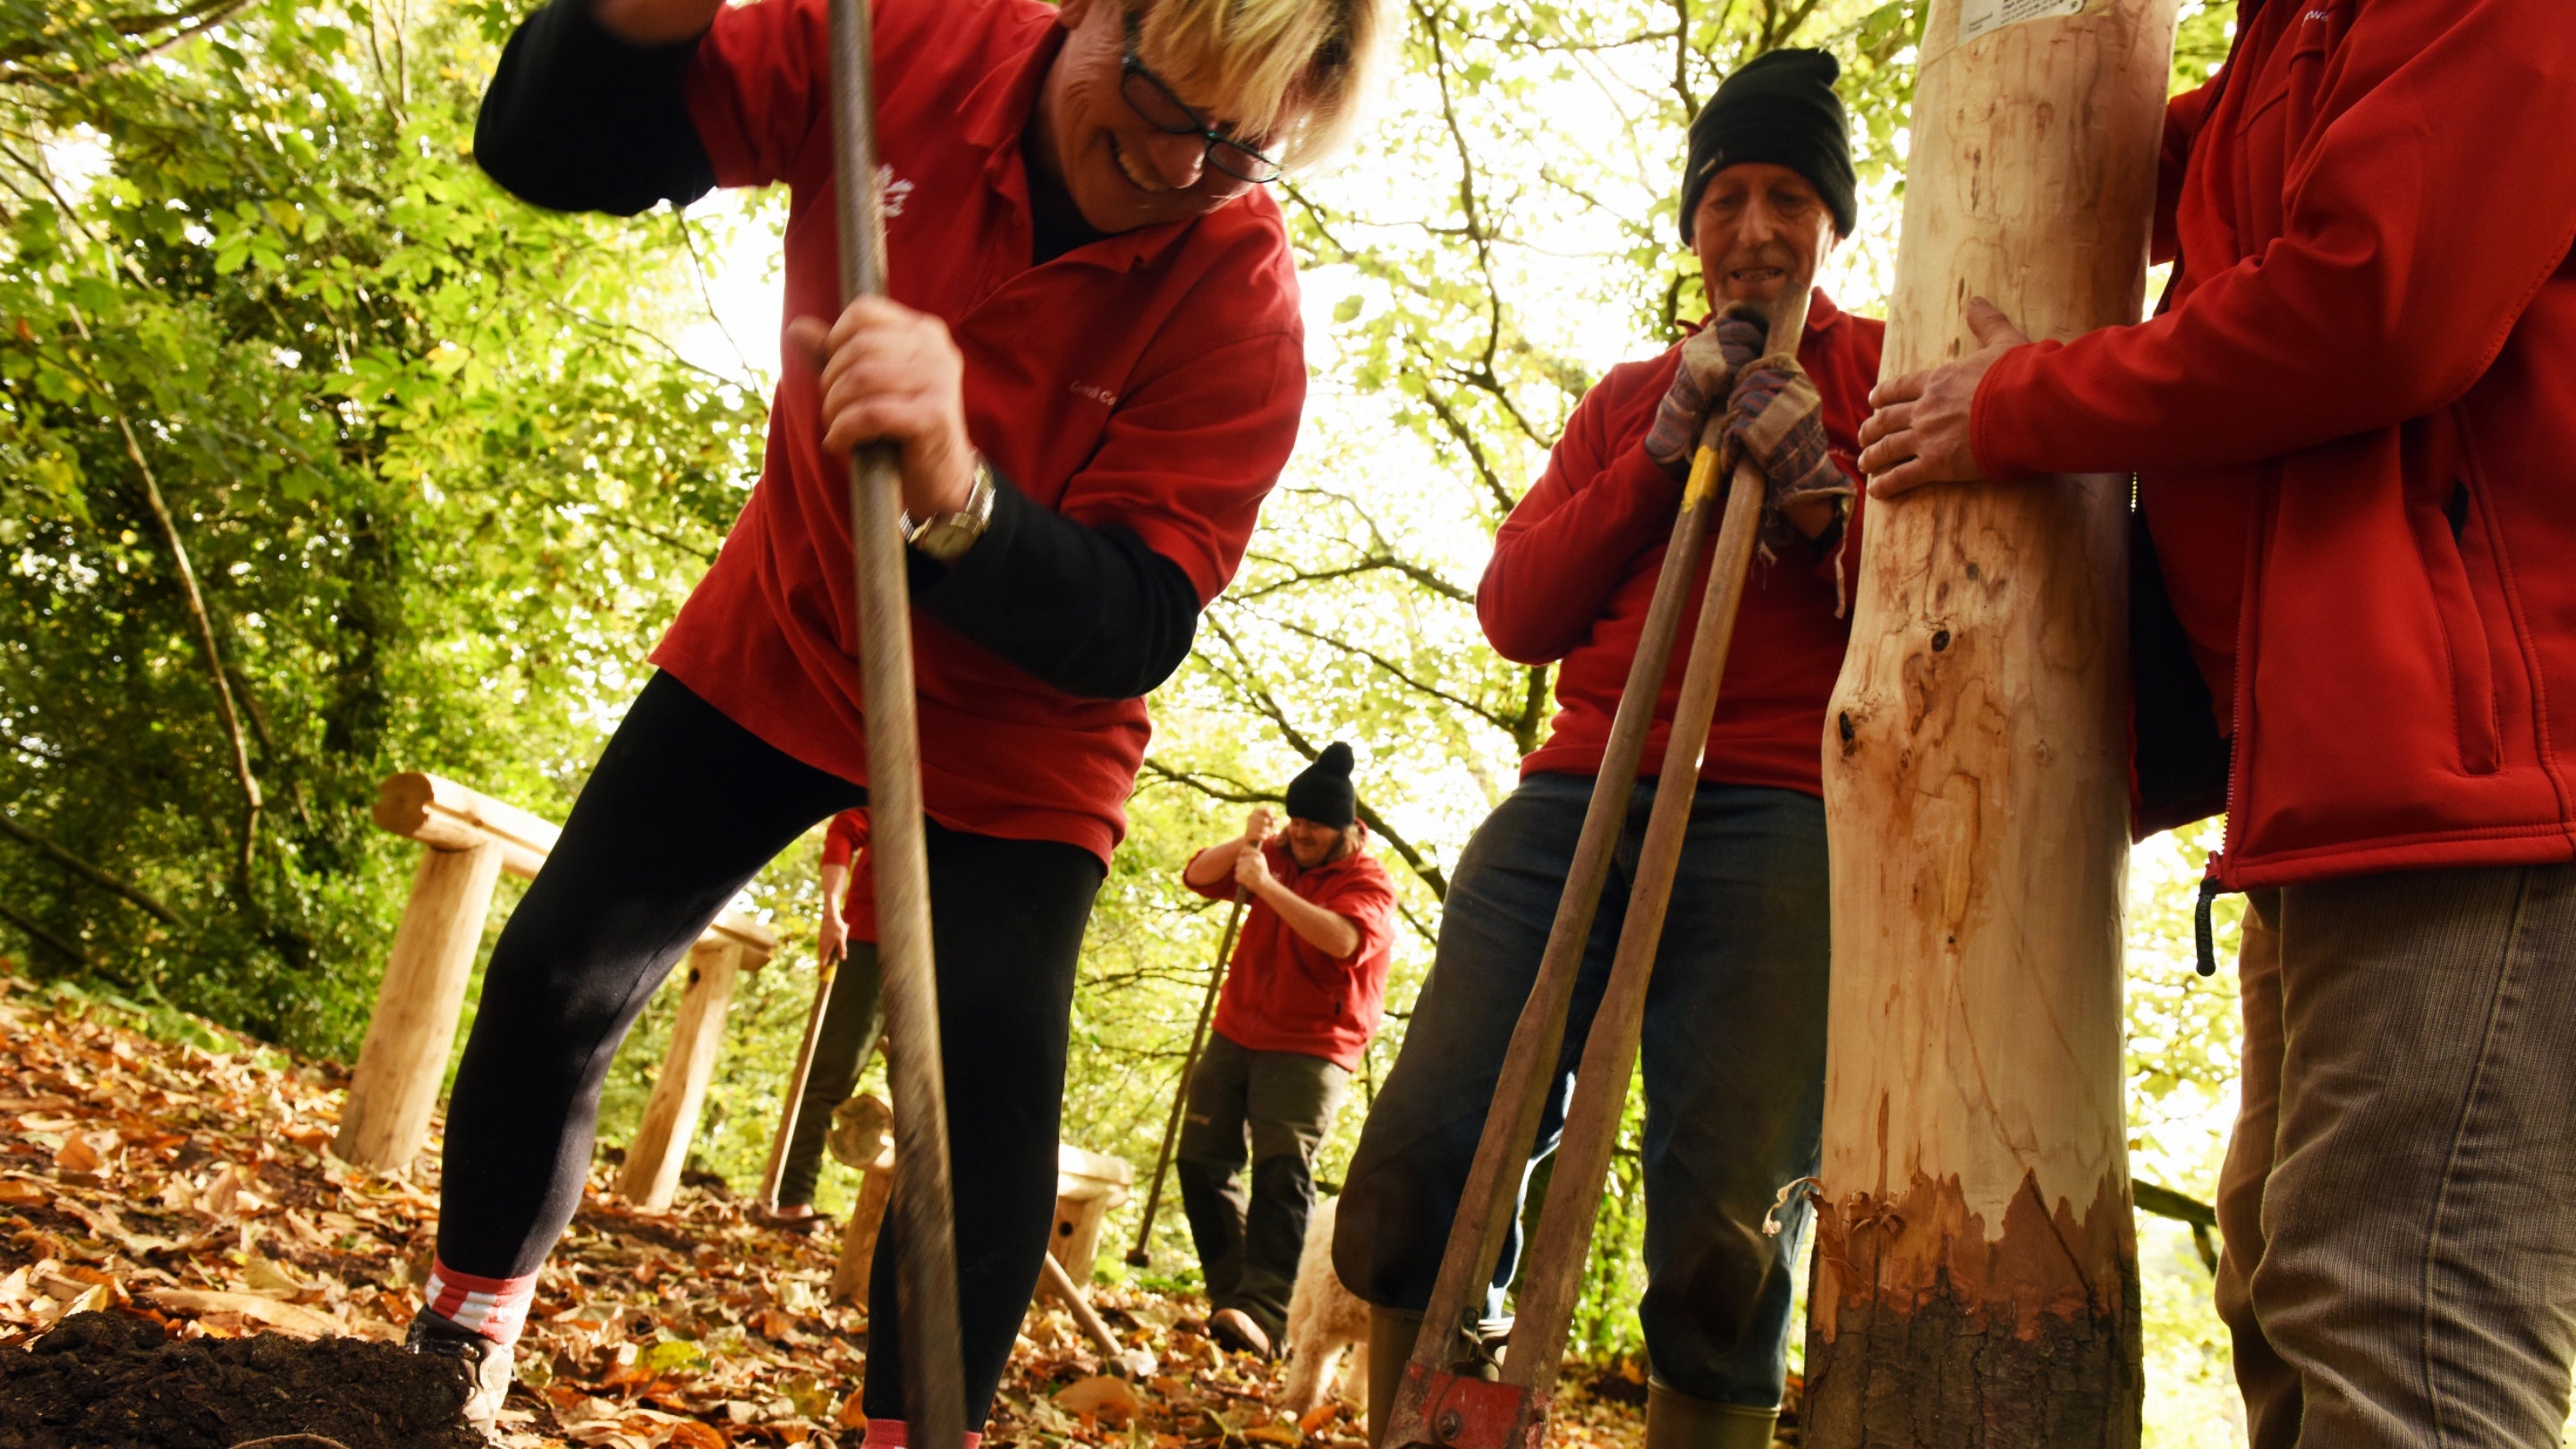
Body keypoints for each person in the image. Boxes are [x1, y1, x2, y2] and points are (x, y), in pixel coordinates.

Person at [415, 0, 1388, 1435]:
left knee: (976, 1102)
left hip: (1024, 731)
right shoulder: (905, 43)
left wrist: (962, 495)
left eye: (1243, 154)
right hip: (793, 623)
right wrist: (634, 26)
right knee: (563, 968)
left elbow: (1133, 624)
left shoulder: (1241, 302)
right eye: (1174, 112)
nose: (1186, 173)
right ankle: (454, 1352)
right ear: (1099, 14)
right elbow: (553, 152)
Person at [1853, 5, 2576, 1444]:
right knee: (2294, 1294)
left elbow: (2376, 302)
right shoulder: (2291, 42)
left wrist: (2027, 403)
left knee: (2397, 1317)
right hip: (2338, 785)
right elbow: (2141, 156)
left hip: (2491, 783)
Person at [1333, 49, 1882, 1449]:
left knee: (1724, 1240)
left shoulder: (1886, 374)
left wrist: (1825, 494)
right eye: (1728, 199)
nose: (1755, 230)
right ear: (1694, 223)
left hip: (1773, 818)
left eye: (1790, 197)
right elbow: (1518, 612)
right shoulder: (1630, 393)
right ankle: (1428, 1423)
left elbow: (1949, 631)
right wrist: (1655, 457)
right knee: (1419, 1163)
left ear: (1835, 220)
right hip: (1577, 795)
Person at [1174, 743, 1397, 1359]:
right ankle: (1233, 1302)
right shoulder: (1275, 852)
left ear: (1347, 829)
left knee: (1280, 1172)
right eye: (1295, 821)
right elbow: (1198, 875)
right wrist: (1245, 843)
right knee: (1199, 1160)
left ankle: (1266, 1315)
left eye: (1315, 825)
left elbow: (1342, 938)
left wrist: (1266, 887)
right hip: (1237, 1029)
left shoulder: (1369, 882)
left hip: (1311, 1046)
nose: (1301, 833)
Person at [762, 808, 885, 1230]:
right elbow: (844, 831)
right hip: (869, 946)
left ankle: (898, 1232)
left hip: (940, 961)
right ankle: (793, 1199)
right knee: (829, 1078)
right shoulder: (905, 778)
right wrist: (832, 912)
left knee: (931, 1099)